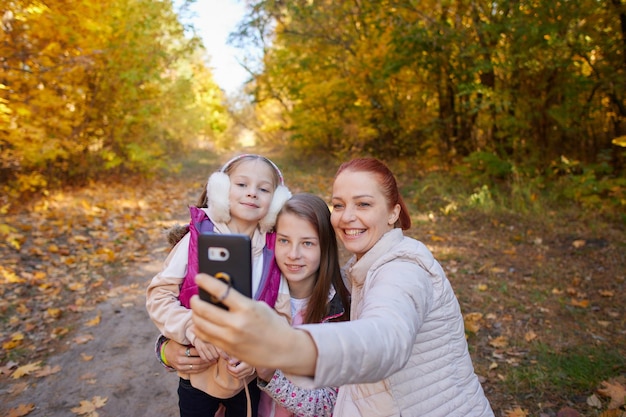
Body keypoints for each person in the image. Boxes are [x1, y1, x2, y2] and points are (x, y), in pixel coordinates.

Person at [190, 157, 495, 417]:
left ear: (393, 213)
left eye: (363, 204)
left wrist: (283, 346)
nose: (348, 216)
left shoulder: (404, 269)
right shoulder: (357, 274)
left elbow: (386, 339)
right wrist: (169, 347)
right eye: (339, 204)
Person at [146, 154, 292, 417]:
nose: (252, 194)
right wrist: (191, 327)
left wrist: (259, 355)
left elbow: (282, 316)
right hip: (197, 380)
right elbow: (159, 296)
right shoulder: (197, 239)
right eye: (242, 185)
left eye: (263, 189)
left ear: (276, 201)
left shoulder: (274, 251)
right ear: (221, 190)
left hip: (246, 380)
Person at [256, 193, 350, 417]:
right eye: (284, 240)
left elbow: (329, 404)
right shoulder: (256, 291)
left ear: (325, 247)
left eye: (307, 243)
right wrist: (167, 351)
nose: (293, 254)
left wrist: (270, 376)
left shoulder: (340, 311)